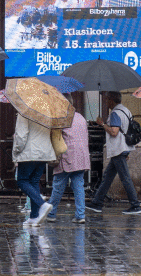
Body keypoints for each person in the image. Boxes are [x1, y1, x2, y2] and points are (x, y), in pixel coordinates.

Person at [87, 91, 141, 215]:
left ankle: (135, 205)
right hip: (124, 147)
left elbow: (114, 132)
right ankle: (97, 202)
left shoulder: (115, 113)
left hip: (118, 149)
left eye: (108, 99)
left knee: (125, 178)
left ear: (112, 100)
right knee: (107, 177)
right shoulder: (126, 111)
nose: (106, 102)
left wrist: (102, 124)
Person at [47, 94, 90, 223]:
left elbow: (56, 137)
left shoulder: (61, 118)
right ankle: (80, 215)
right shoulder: (81, 117)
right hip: (82, 157)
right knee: (79, 186)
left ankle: (51, 213)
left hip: (67, 156)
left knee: (58, 186)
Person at [13, 113, 55, 227]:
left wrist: (16, 151)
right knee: (34, 181)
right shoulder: (46, 112)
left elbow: (21, 136)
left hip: (29, 152)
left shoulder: (25, 112)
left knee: (22, 181)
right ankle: (34, 216)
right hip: (44, 152)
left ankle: (42, 204)